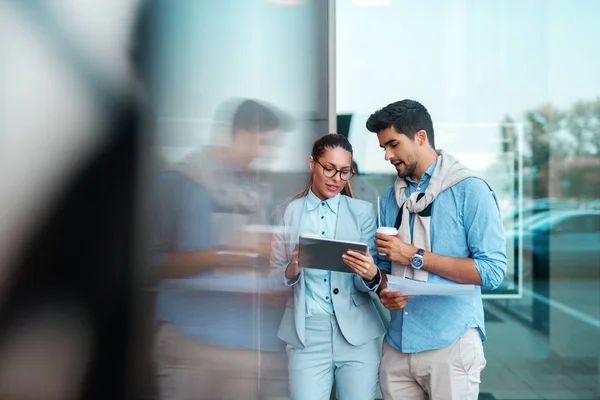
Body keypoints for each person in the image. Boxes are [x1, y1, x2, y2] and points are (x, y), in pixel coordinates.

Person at [366, 100, 507, 400]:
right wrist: (384, 292)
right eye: (383, 148)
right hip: (398, 345)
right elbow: (386, 270)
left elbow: (492, 271)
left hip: (451, 343)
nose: (388, 156)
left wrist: (414, 255)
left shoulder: (471, 190)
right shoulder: (391, 198)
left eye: (393, 144)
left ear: (420, 137)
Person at [150, 98, 290, 400]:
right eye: (263, 144)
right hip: (195, 349)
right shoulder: (178, 184)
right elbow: (149, 264)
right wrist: (231, 255)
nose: (265, 155)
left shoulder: (265, 194)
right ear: (240, 134)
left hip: (258, 350)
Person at [270, 133, 386, 400]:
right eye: (329, 168)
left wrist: (369, 273)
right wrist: (292, 268)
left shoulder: (363, 212)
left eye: (345, 172)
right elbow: (272, 276)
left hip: (357, 335)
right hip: (307, 335)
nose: (337, 178)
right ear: (312, 163)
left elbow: (368, 283)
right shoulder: (288, 211)